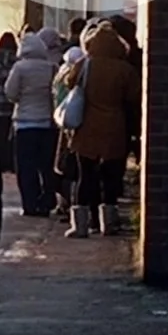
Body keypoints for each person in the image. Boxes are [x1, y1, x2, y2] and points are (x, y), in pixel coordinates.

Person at [64, 15, 143, 237]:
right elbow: (134, 97)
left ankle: (80, 225)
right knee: (110, 177)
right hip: (114, 127)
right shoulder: (125, 69)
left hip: (87, 126)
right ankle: (108, 222)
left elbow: (69, 83)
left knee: (85, 176)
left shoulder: (85, 64)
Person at [5, 25, 65, 217]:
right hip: (46, 123)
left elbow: (10, 93)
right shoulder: (51, 68)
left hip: (24, 123)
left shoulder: (19, 68)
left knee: (26, 167)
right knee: (46, 165)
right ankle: (47, 200)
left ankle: (30, 204)